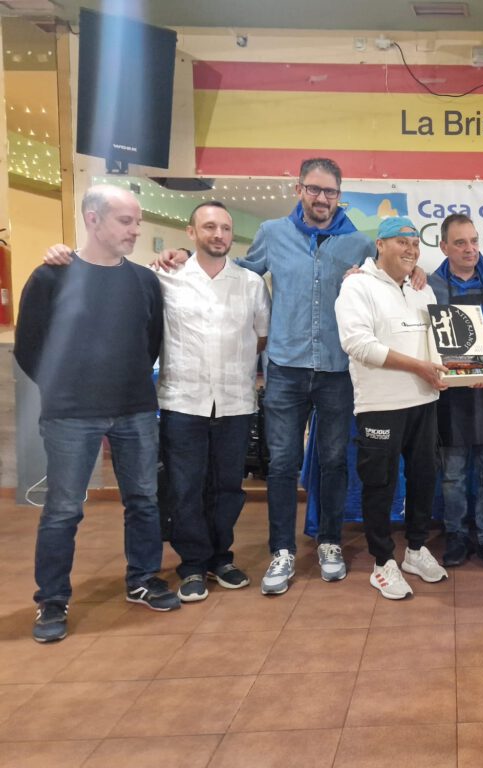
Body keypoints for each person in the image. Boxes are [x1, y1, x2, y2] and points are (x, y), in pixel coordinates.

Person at [15, 185, 179, 643]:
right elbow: (29, 347)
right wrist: (64, 389)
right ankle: (52, 599)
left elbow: (151, 341)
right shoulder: (51, 277)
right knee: (63, 509)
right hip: (71, 415)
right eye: (126, 221)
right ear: (93, 219)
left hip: (135, 410)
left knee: (143, 500)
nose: (136, 230)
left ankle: (143, 579)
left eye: (136, 221)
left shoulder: (144, 281)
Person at [233, 158, 375, 594]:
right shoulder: (272, 233)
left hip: (337, 371)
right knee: (282, 463)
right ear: (299, 189)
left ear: (339, 195)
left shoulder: (359, 244)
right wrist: (187, 259)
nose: (322, 198)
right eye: (314, 189)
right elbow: (240, 273)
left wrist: (416, 271)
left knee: (333, 461)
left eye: (330, 191)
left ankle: (329, 541)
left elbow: (386, 282)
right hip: (285, 368)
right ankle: (282, 550)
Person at [154, 202, 271, 600]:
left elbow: (261, 335)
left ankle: (221, 557)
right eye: (209, 227)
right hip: (182, 401)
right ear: (191, 233)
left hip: (235, 402)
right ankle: (192, 564)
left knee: (227, 488)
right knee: (186, 487)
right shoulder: (166, 278)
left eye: (225, 228)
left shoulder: (250, 284)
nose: (218, 234)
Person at [336, 216, 450, 599]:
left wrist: (464, 372)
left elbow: (436, 346)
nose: (411, 249)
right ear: (380, 244)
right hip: (380, 405)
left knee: (423, 479)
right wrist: (418, 366)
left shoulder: (422, 289)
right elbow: (358, 344)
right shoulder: (357, 286)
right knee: (380, 485)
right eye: (402, 241)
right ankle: (382, 561)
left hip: (424, 400)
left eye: (415, 243)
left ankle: (415, 550)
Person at [427, 214, 483, 570]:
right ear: (444, 246)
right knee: (453, 474)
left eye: (474, 241)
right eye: (460, 242)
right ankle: (457, 535)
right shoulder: (428, 287)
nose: (470, 249)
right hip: (450, 396)